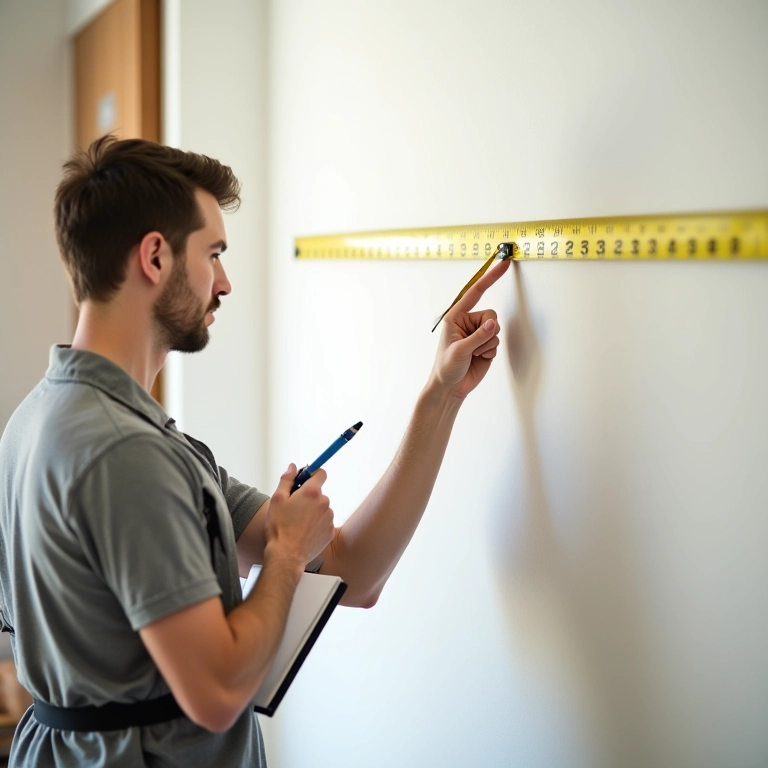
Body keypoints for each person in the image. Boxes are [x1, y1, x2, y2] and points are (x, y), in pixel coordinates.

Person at [0, 135, 510, 767]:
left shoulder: (45, 419)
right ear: (155, 257)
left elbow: (356, 571)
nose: (226, 282)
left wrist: (441, 396)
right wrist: (287, 555)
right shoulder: (123, 454)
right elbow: (216, 693)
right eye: (212, 253)